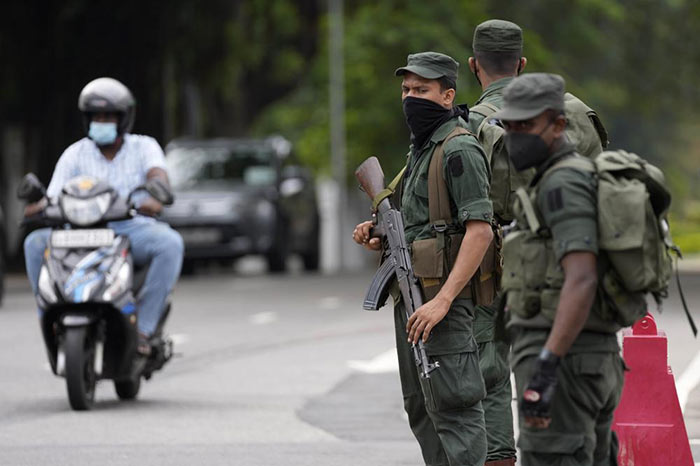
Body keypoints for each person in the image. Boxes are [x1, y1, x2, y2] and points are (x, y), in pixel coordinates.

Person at [353, 52, 493, 466]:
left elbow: (479, 230)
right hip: (413, 303)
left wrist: (443, 300)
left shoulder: (458, 149)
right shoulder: (420, 151)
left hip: (442, 306)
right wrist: (376, 234)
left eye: (422, 90)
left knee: (455, 410)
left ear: (448, 95)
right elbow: (423, 228)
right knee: (422, 410)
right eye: (406, 90)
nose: (411, 98)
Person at [494, 73, 624, 465]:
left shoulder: (563, 183)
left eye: (527, 125)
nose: (516, 135)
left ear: (559, 125)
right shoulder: (560, 177)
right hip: (585, 357)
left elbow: (582, 276)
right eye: (509, 126)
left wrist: (548, 365)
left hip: (563, 358)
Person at [23, 77, 184, 354]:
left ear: (124, 119)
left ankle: (143, 330)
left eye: (109, 115)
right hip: (79, 233)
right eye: (96, 116)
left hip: (129, 229)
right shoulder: (75, 154)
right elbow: (53, 196)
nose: (102, 121)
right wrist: (37, 208)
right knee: (35, 244)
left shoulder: (144, 147)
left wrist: (154, 198)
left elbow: (159, 180)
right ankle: (50, 317)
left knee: (169, 243)